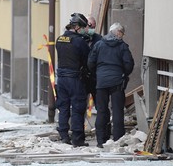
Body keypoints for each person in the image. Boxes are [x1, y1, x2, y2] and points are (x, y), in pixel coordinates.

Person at [87, 22, 134, 148]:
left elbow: (90, 63)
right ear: (118, 32)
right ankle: (118, 140)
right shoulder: (122, 46)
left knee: (102, 110)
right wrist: (123, 73)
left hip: (101, 82)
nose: (122, 36)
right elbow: (129, 64)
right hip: (117, 82)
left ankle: (101, 140)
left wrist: (98, 74)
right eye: (122, 33)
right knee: (118, 111)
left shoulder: (99, 45)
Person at [54, 12, 91, 147]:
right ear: (77, 27)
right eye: (82, 27)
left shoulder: (59, 39)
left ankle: (64, 136)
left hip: (61, 79)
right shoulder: (79, 41)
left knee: (63, 107)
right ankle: (77, 138)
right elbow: (87, 60)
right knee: (77, 107)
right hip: (75, 79)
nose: (83, 30)